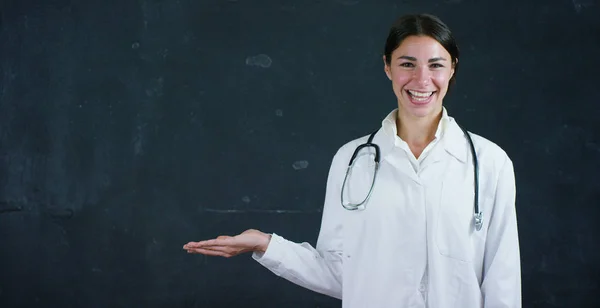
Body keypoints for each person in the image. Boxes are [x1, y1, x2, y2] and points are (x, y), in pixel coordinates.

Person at [183, 13, 521, 308]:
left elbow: (502, 281)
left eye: (435, 65)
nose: (421, 80)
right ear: (387, 66)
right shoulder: (352, 160)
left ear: (452, 69)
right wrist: (266, 244)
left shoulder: (489, 163)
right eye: (407, 64)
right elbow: (339, 273)